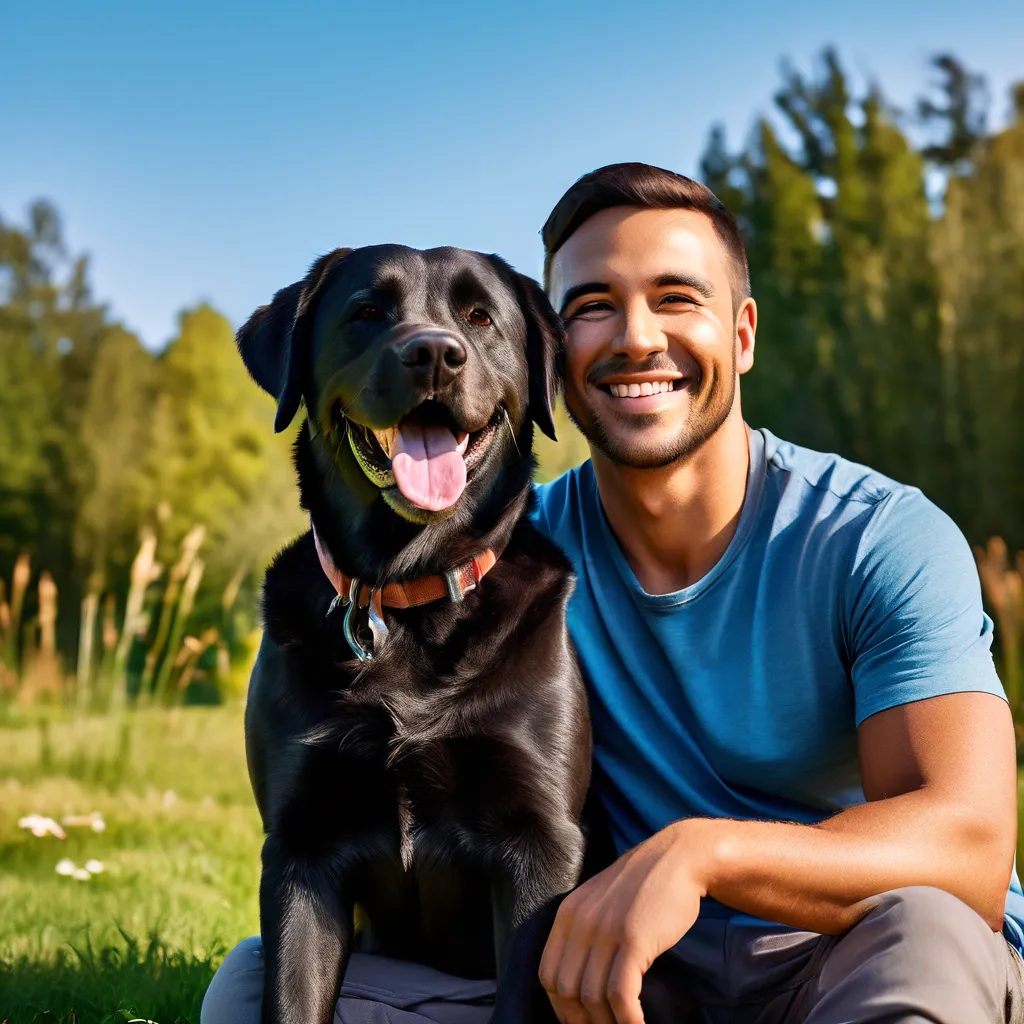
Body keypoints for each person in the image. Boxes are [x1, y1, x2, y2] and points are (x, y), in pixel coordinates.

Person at [202, 163, 1024, 1024]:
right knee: (255, 986)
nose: (635, 337)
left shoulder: (875, 538)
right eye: (593, 305)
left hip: (838, 956)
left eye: (676, 298)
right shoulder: (500, 568)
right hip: (608, 980)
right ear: (552, 356)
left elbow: (967, 848)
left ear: (742, 334)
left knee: (930, 932)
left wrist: (703, 856)